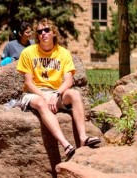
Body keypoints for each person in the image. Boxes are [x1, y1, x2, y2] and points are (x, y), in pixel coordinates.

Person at [16, 18, 101, 162]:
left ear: (54, 33)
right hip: (34, 93)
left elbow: (69, 81)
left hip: (54, 92)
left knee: (74, 94)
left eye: (47, 30)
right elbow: (28, 83)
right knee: (41, 103)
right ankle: (66, 145)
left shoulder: (63, 53)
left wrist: (56, 94)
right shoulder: (28, 52)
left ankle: (83, 138)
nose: (43, 33)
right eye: (40, 31)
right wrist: (44, 96)